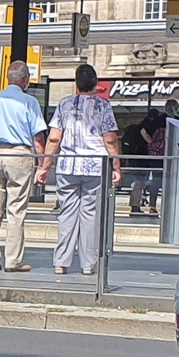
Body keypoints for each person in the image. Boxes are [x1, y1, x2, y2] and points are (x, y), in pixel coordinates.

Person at [43, 62, 120, 276]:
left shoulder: (64, 104)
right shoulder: (104, 106)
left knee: (67, 213)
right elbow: (111, 139)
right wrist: (116, 167)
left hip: (67, 166)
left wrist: (44, 166)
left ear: (76, 84)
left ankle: (61, 262)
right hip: (96, 168)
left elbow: (54, 137)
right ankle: (88, 264)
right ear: (95, 83)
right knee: (90, 215)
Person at [0, 60, 47, 272]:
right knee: (16, 210)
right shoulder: (30, 102)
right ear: (25, 80)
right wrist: (42, 164)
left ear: (8, 78)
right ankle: (13, 260)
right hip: (19, 155)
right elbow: (38, 136)